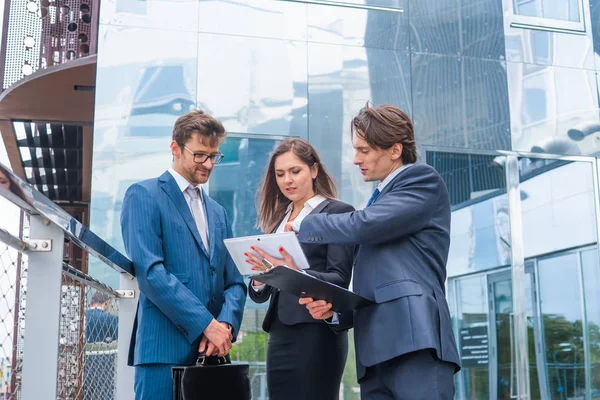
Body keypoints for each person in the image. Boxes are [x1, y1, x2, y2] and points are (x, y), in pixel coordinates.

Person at [295, 104, 461, 399]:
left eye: (365, 150)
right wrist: (336, 312)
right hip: (374, 356)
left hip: (414, 342)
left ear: (395, 150)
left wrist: (304, 222)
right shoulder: (381, 199)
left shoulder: (421, 180)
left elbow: (363, 225)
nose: (356, 159)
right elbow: (376, 281)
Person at [120, 110, 247, 399]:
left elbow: (235, 282)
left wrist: (224, 326)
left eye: (214, 156)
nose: (209, 164)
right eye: (200, 155)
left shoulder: (218, 212)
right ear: (175, 148)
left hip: (213, 354)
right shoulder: (143, 195)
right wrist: (206, 324)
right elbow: (151, 273)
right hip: (163, 351)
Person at [245, 138, 354, 400]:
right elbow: (260, 295)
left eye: (295, 171)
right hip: (280, 333)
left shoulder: (337, 213)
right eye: (280, 174)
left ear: (313, 170)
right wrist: (260, 278)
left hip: (316, 331)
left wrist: (297, 274)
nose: (287, 181)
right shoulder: (277, 222)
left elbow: (339, 278)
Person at [84, 291, 118, 400]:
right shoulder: (110, 318)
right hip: (105, 364)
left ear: (91, 303)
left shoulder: (82, 317)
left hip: (84, 362)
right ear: (107, 303)